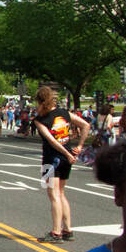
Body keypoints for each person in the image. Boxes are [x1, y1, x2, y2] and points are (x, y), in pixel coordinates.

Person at [33, 86, 91, 243]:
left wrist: (67, 153)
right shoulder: (64, 113)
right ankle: (68, 229)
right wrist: (79, 146)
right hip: (66, 158)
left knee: (54, 195)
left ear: (40, 101)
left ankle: (56, 232)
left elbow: (51, 141)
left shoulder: (40, 120)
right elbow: (86, 125)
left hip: (51, 159)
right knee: (62, 193)